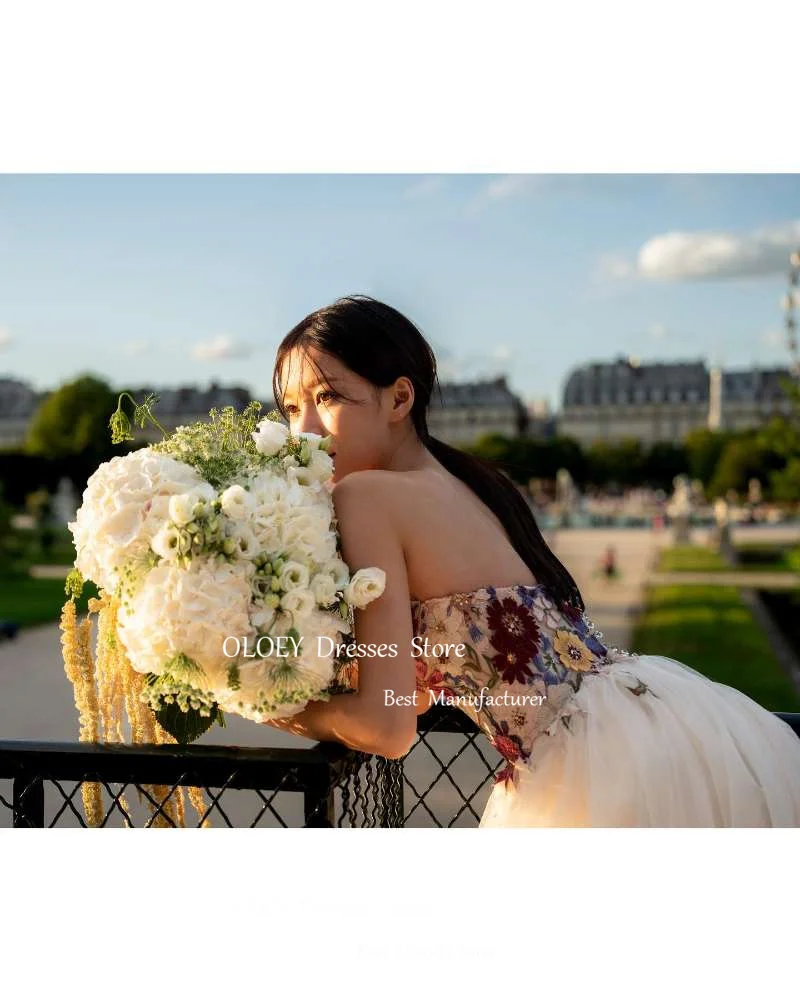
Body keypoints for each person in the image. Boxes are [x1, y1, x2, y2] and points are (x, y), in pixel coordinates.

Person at [262, 294, 800, 827]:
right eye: (290, 408)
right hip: (648, 722)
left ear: (400, 399)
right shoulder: (475, 483)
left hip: (595, 764)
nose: (302, 430)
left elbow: (388, 726)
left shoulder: (364, 497)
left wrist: (272, 704)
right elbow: (417, 695)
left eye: (327, 397)